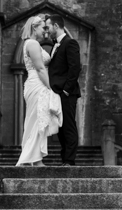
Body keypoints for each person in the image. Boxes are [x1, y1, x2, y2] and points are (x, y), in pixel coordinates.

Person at [16, 14, 62, 166]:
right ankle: (32, 159)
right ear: (34, 28)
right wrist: (51, 88)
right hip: (38, 84)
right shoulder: (33, 44)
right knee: (36, 120)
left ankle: (34, 159)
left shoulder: (31, 44)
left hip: (36, 83)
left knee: (36, 120)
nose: (45, 31)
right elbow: (41, 69)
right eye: (43, 28)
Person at [48, 18, 81, 165]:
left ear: (56, 26)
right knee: (60, 127)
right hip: (57, 93)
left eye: (48, 27)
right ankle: (65, 159)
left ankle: (69, 160)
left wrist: (66, 90)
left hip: (67, 93)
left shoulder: (70, 43)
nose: (47, 30)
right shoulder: (55, 45)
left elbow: (75, 67)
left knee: (68, 126)